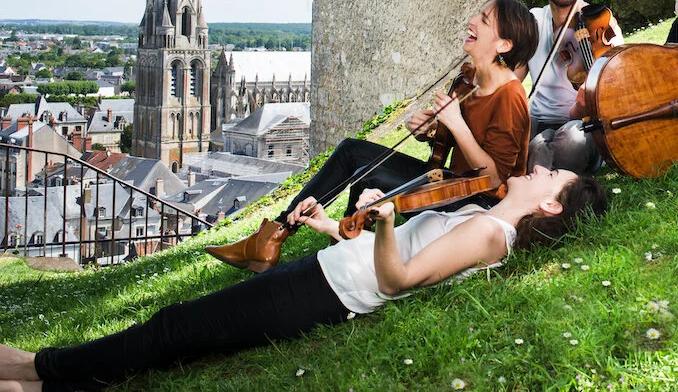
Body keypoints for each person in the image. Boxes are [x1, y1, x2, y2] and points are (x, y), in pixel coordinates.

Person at [0, 167, 608, 392]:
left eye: (551, 176)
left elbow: (397, 279)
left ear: (550, 207)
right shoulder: (485, 218)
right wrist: (329, 228)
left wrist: (391, 218)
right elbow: (385, 257)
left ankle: (37, 366)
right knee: (185, 338)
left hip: (323, 293)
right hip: (324, 273)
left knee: (178, 327)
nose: (540, 169)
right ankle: (43, 380)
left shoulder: (489, 235)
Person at [205, 0, 539, 274]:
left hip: (479, 202)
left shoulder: (509, 95)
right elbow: (448, 145)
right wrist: (429, 129)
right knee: (357, 161)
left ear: (504, 44)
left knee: (361, 167)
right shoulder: (469, 81)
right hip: (450, 182)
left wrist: (456, 123)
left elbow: (494, 177)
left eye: (483, 20)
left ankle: (287, 244)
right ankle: (308, 247)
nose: (471, 21)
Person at [518, 0, 623, 175]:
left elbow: (619, 88)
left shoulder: (602, 25)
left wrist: (584, 103)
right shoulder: (532, 21)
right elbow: (510, 80)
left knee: (570, 139)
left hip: (580, 124)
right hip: (538, 121)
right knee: (526, 138)